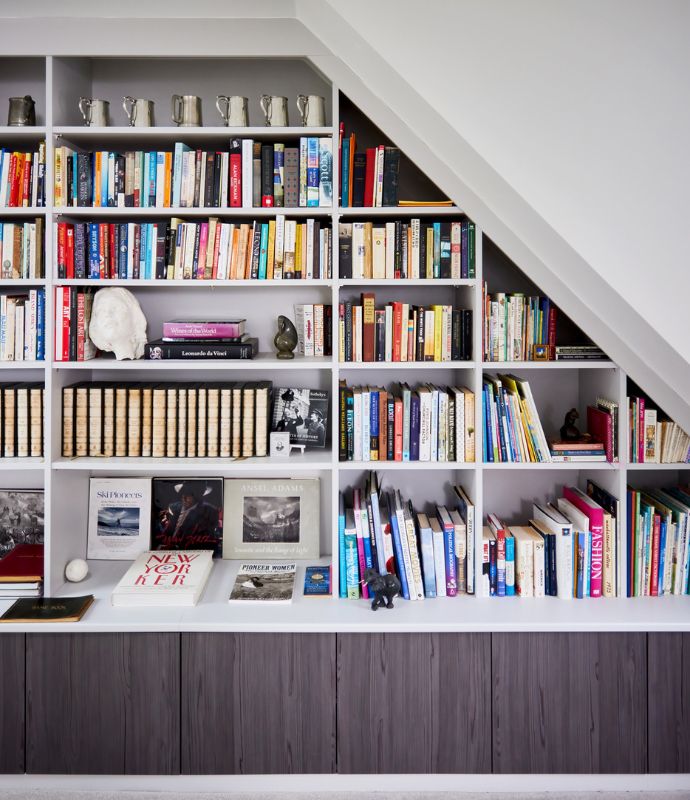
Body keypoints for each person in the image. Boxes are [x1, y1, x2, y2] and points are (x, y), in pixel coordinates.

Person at [156, 481, 220, 551]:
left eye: (188, 495)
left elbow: (209, 537)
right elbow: (168, 529)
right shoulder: (173, 507)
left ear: (197, 496)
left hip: (191, 549)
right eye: (183, 494)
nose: (183, 498)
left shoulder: (209, 511)